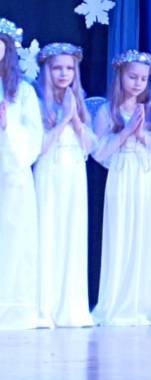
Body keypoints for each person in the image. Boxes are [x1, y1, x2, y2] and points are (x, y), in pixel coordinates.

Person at [92, 50, 151, 326]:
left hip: (147, 176)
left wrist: (142, 136)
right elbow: (99, 153)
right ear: (121, 77)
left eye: (143, 78)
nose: (138, 83)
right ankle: (116, 304)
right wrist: (125, 133)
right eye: (132, 77)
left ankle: (143, 306)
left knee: (145, 237)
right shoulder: (108, 111)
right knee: (120, 235)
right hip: (122, 174)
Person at [34, 42, 96, 327]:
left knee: (72, 235)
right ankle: (44, 308)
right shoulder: (38, 103)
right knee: (48, 235)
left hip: (74, 173)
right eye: (57, 68)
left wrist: (76, 120)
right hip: (50, 172)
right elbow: (39, 147)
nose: (63, 74)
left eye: (69, 68)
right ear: (47, 71)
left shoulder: (78, 102)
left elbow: (91, 147)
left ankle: (70, 308)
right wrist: (63, 120)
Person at [0, 18, 43, 330]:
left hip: (13, 174)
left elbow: (33, 138)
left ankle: (12, 308)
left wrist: (7, 126)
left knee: (14, 239)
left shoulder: (23, 92)